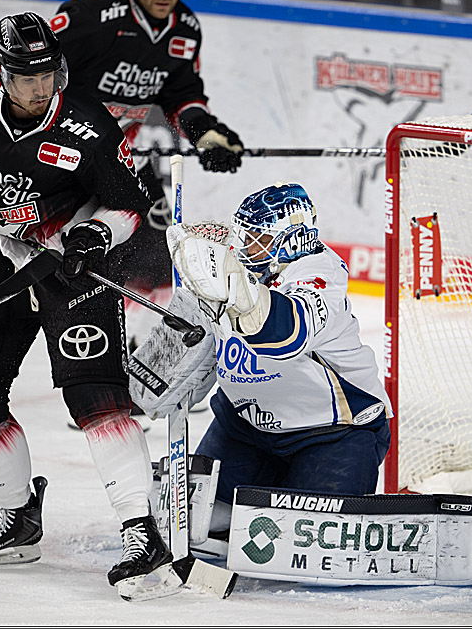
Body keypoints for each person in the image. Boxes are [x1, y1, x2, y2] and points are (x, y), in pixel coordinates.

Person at [0, 11, 173, 594]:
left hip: (73, 263)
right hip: (1, 254)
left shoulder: (88, 127)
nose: (41, 86)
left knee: (96, 398)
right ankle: (18, 518)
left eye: (48, 74)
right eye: (27, 77)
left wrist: (94, 235)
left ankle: (142, 533)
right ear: (2, 74)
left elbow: (130, 206)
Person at [159, 182, 393, 534]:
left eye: (257, 239)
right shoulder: (235, 268)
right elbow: (194, 343)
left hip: (332, 433)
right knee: (193, 525)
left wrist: (233, 290)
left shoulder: (320, 275)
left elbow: (287, 335)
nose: (243, 246)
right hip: (244, 427)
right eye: (243, 235)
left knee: (312, 538)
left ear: (292, 241)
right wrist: (160, 373)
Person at [49, 0, 244, 299]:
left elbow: (182, 95)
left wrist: (205, 133)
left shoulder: (184, 28)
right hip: (63, 160)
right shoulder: (89, 17)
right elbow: (23, 72)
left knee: (161, 261)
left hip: (124, 160)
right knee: (65, 261)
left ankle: (141, 331)